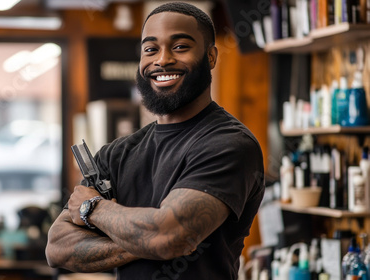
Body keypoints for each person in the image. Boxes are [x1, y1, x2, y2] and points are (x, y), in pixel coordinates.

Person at [45, 2, 265, 279]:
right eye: (150, 49)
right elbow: (58, 248)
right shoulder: (116, 154)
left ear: (210, 57)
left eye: (180, 47)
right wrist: (152, 240)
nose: (162, 60)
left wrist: (93, 207)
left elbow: (168, 237)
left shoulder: (229, 144)